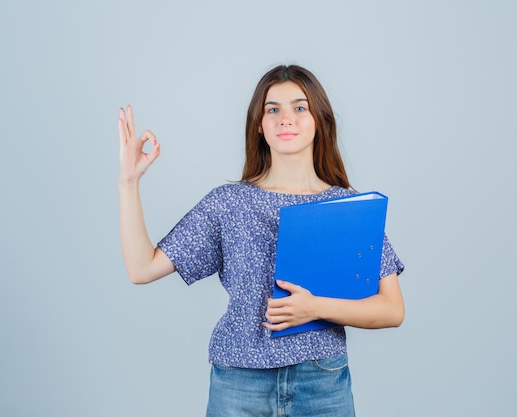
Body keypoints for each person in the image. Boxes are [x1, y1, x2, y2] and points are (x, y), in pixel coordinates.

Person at [118, 64, 405, 417]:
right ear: (259, 123)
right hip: (239, 382)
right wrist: (128, 182)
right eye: (273, 109)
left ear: (320, 121)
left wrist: (315, 308)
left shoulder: (348, 207)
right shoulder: (228, 202)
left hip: (322, 381)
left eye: (300, 108)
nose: (286, 118)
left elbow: (392, 309)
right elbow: (140, 268)